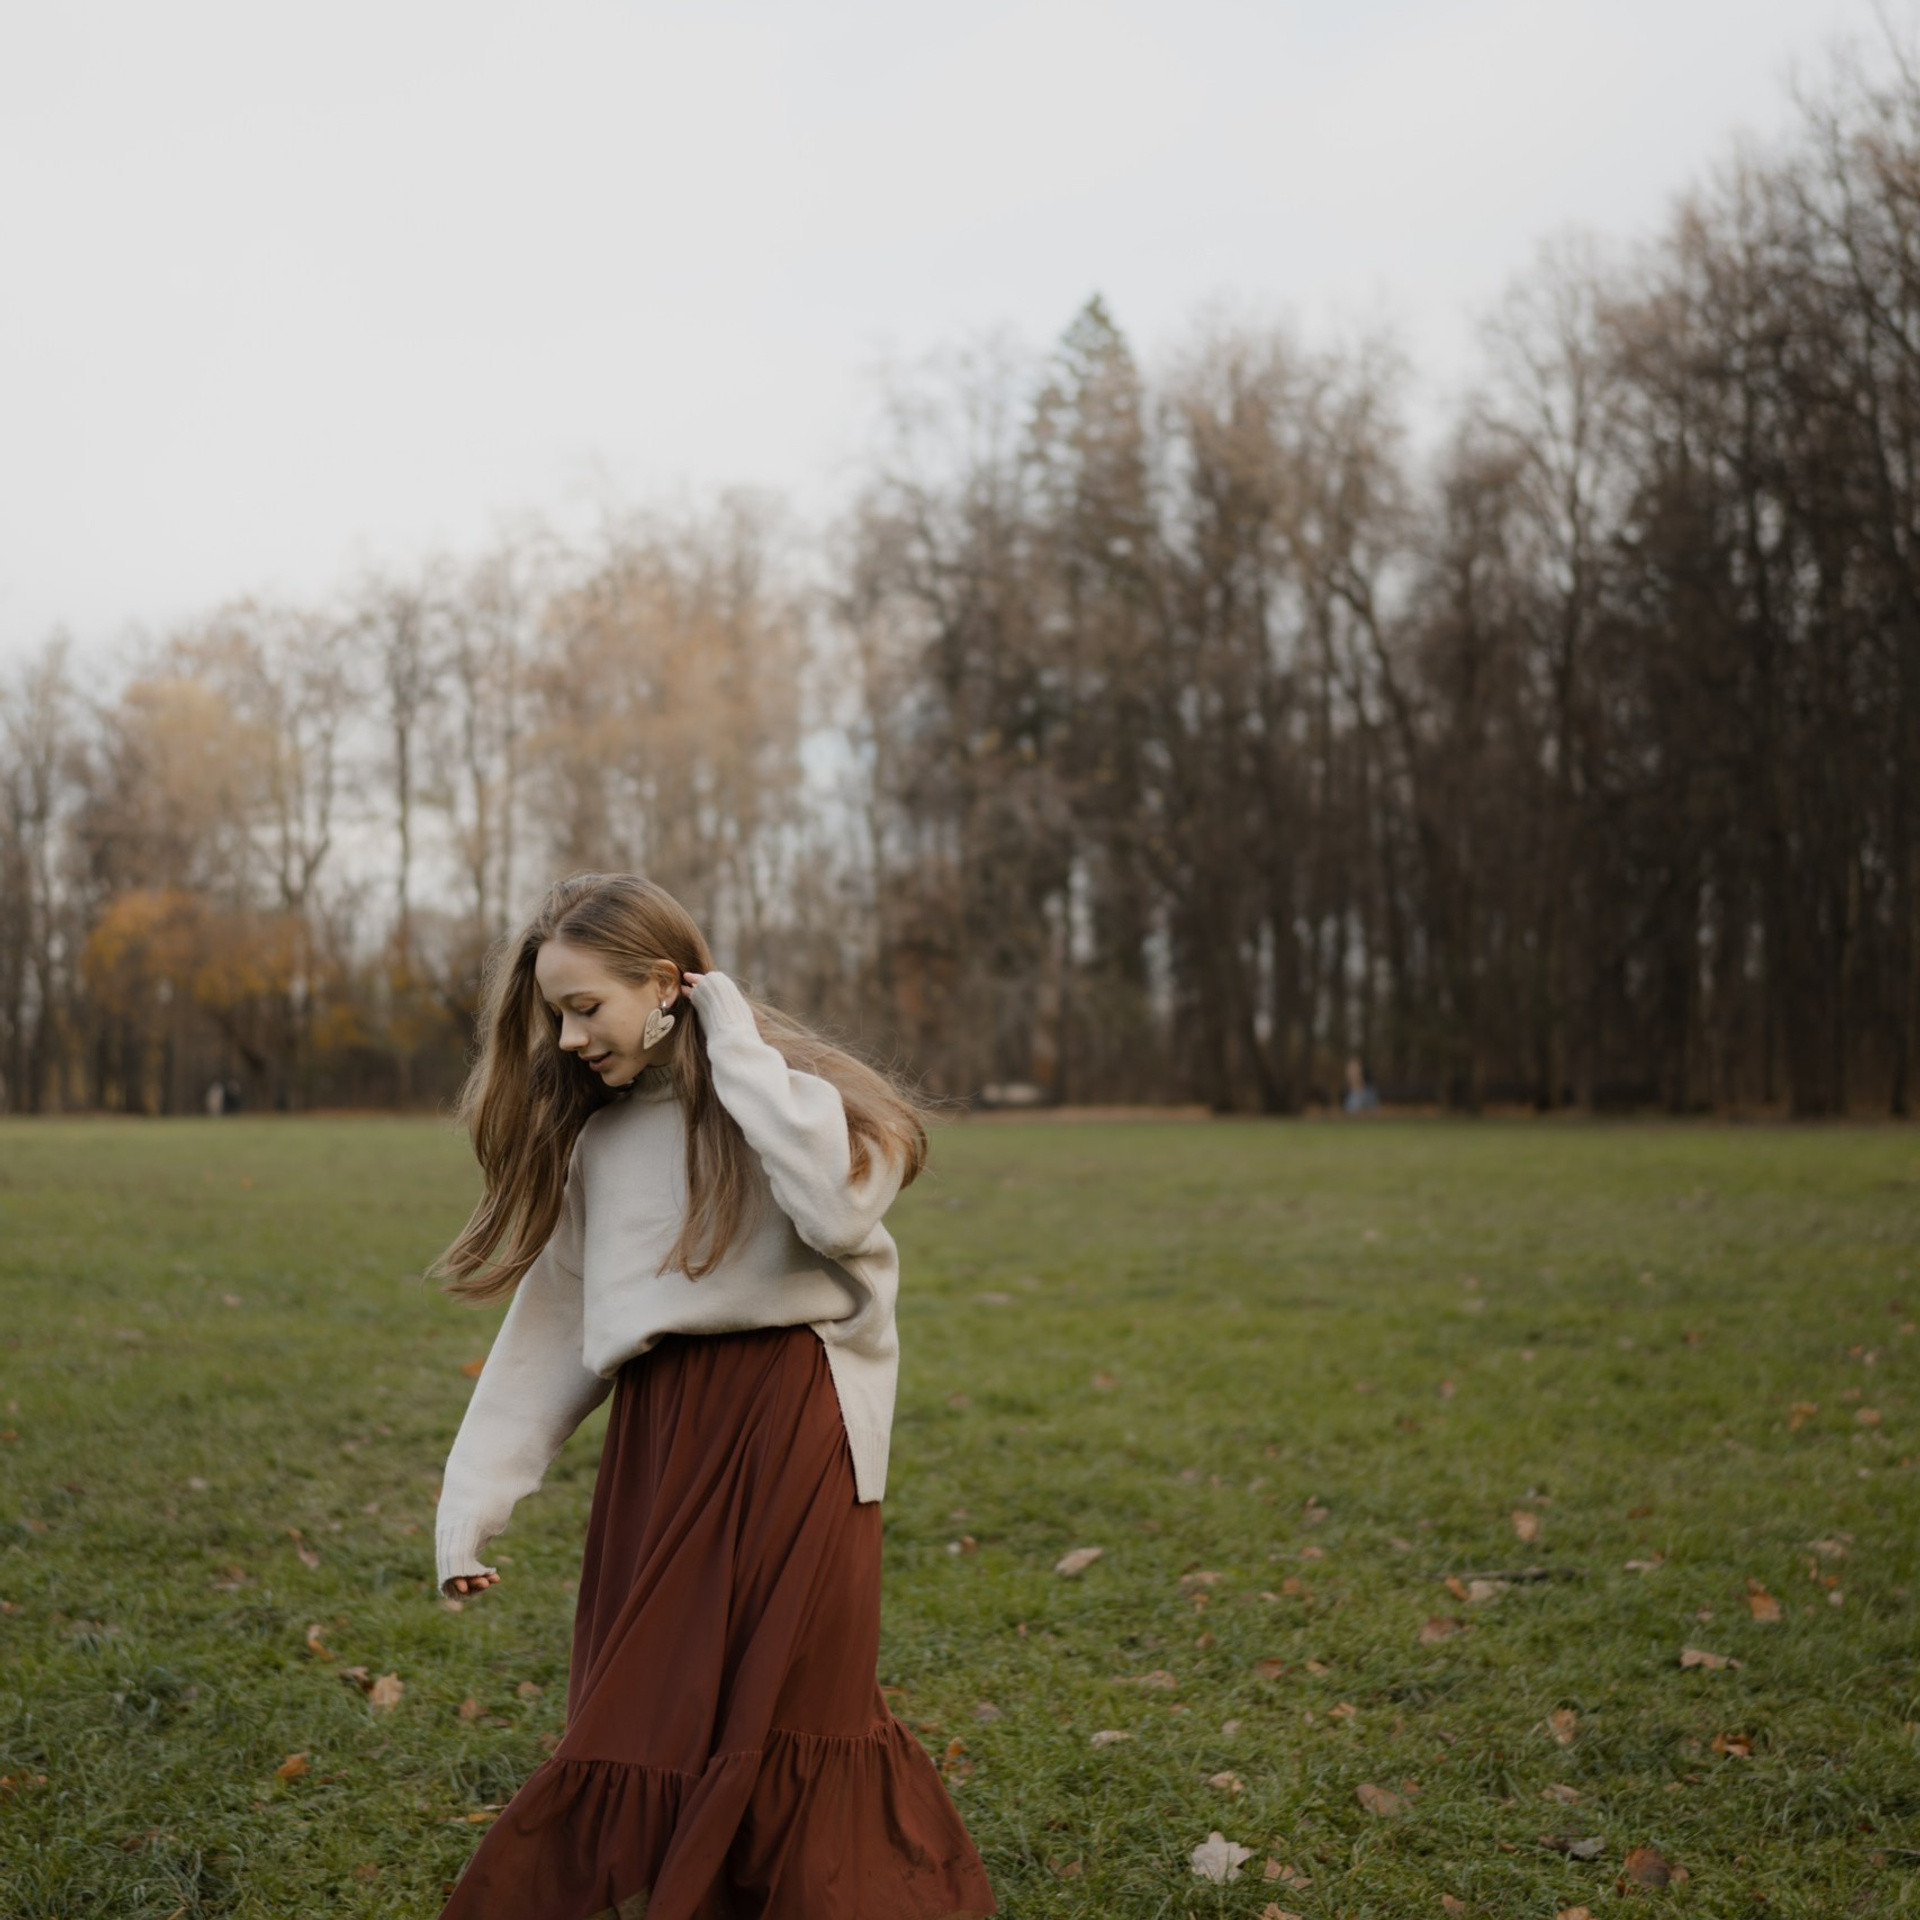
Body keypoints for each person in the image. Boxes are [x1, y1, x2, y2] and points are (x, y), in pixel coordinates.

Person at [429, 871, 995, 1920]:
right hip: (663, 1437)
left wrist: (734, 1045)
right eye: (554, 1014)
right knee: (653, 1694)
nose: (565, 1039)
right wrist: (472, 1504)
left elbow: (835, 1212)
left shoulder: (795, 1108)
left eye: (584, 1007)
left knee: (793, 1697)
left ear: (662, 984)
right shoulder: (600, 1146)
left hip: (792, 1428)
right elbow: (552, 1331)